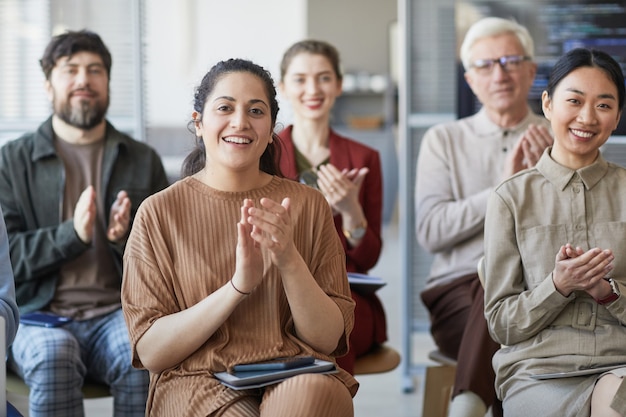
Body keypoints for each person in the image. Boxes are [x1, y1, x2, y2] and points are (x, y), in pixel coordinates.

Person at [121, 58, 358, 417]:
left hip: (295, 371)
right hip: (197, 378)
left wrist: (289, 260)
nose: (240, 122)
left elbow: (327, 339)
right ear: (198, 123)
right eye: (225, 108)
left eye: (256, 110)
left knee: (309, 398)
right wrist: (238, 287)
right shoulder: (158, 213)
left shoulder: (308, 205)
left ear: (271, 128)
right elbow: (152, 351)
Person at [0, 30, 169, 417]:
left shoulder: (142, 160)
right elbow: (6, 259)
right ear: (48, 84)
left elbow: (168, 261)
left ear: (107, 83)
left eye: (95, 70)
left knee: (141, 352)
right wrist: (71, 236)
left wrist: (121, 239)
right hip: (36, 317)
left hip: (118, 312)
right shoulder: (10, 162)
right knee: (55, 354)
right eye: (70, 69)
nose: (83, 80)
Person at [415, 17, 553, 417]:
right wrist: (504, 186)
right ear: (470, 80)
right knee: (492, 280)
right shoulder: (444, 140)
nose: (500, 73)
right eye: (486, 65)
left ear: (531, 70)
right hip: (455, 293)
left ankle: (467, 405)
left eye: (511, 61)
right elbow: (431, 231)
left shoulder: (557, 138)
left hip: (541, 294)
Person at [483, 47, 626, 417]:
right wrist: (557, 286)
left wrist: (607, 292)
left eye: (604, 105)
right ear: (547, 104)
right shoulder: (510, 198)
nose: (587, 117)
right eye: (574, 100)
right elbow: (501, 324)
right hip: (538, 372)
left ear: (618, 116)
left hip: (619, 362)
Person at [276, 39, 387, 375]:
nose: (313, 89)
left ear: (338, 85)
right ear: (282, 87)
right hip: (277, 292)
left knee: (335, 327)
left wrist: (351, 210)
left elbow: (368, 259)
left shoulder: (365, 158)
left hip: (345, 295)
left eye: (324, 78)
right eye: (300, 79)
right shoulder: (263, 156)